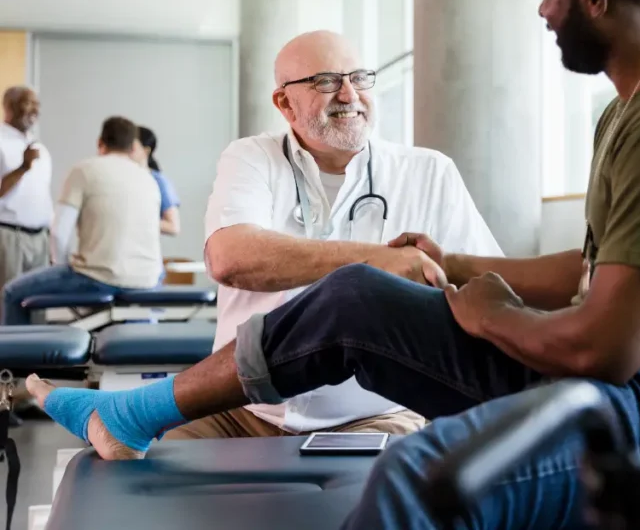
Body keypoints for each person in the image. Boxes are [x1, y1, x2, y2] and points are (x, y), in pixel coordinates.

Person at [28, 0, 640, 530]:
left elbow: (606, 348)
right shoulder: (626, 110)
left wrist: (486, 309)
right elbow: (590, 273)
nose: (541, 10)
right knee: (356, 298)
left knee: (417, 475)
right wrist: (457, 266)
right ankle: (130, 412)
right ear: (285, 104)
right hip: (621, 385)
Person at [157, 29, 502, 441]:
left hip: (376, 414)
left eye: (358, 78)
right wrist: (376, 261)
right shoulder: (252, 157)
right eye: (325, 81)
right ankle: (121, 414)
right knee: (142, 481)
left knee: (381, 496)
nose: (348, 94)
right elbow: (230, 258)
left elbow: (485, 286)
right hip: (241, 411)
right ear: (285, 102)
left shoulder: (430, 172)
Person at [2, 116, 162, 325]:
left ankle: (20, 356)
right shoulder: (148, 179)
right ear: (133, 146)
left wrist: (61, 264)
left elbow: (59, 231)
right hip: (147, 279)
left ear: (100, 143)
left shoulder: (84, 170)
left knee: (11, 293)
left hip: (98, 278)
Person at [0, 87, 52, 310]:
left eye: (36, 104)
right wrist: (23, 167)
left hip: (40, 238)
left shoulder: (40, 148)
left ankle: (36, 346)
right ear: (9, 107)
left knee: (38, 304)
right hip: (10, 237)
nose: (35, 109)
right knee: (7, 305)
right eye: (27, 103)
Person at [135, 126, 181, 236]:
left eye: (132, 147)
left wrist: (136, 221)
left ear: (146, 150)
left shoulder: (159, 181)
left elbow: (173, 227)